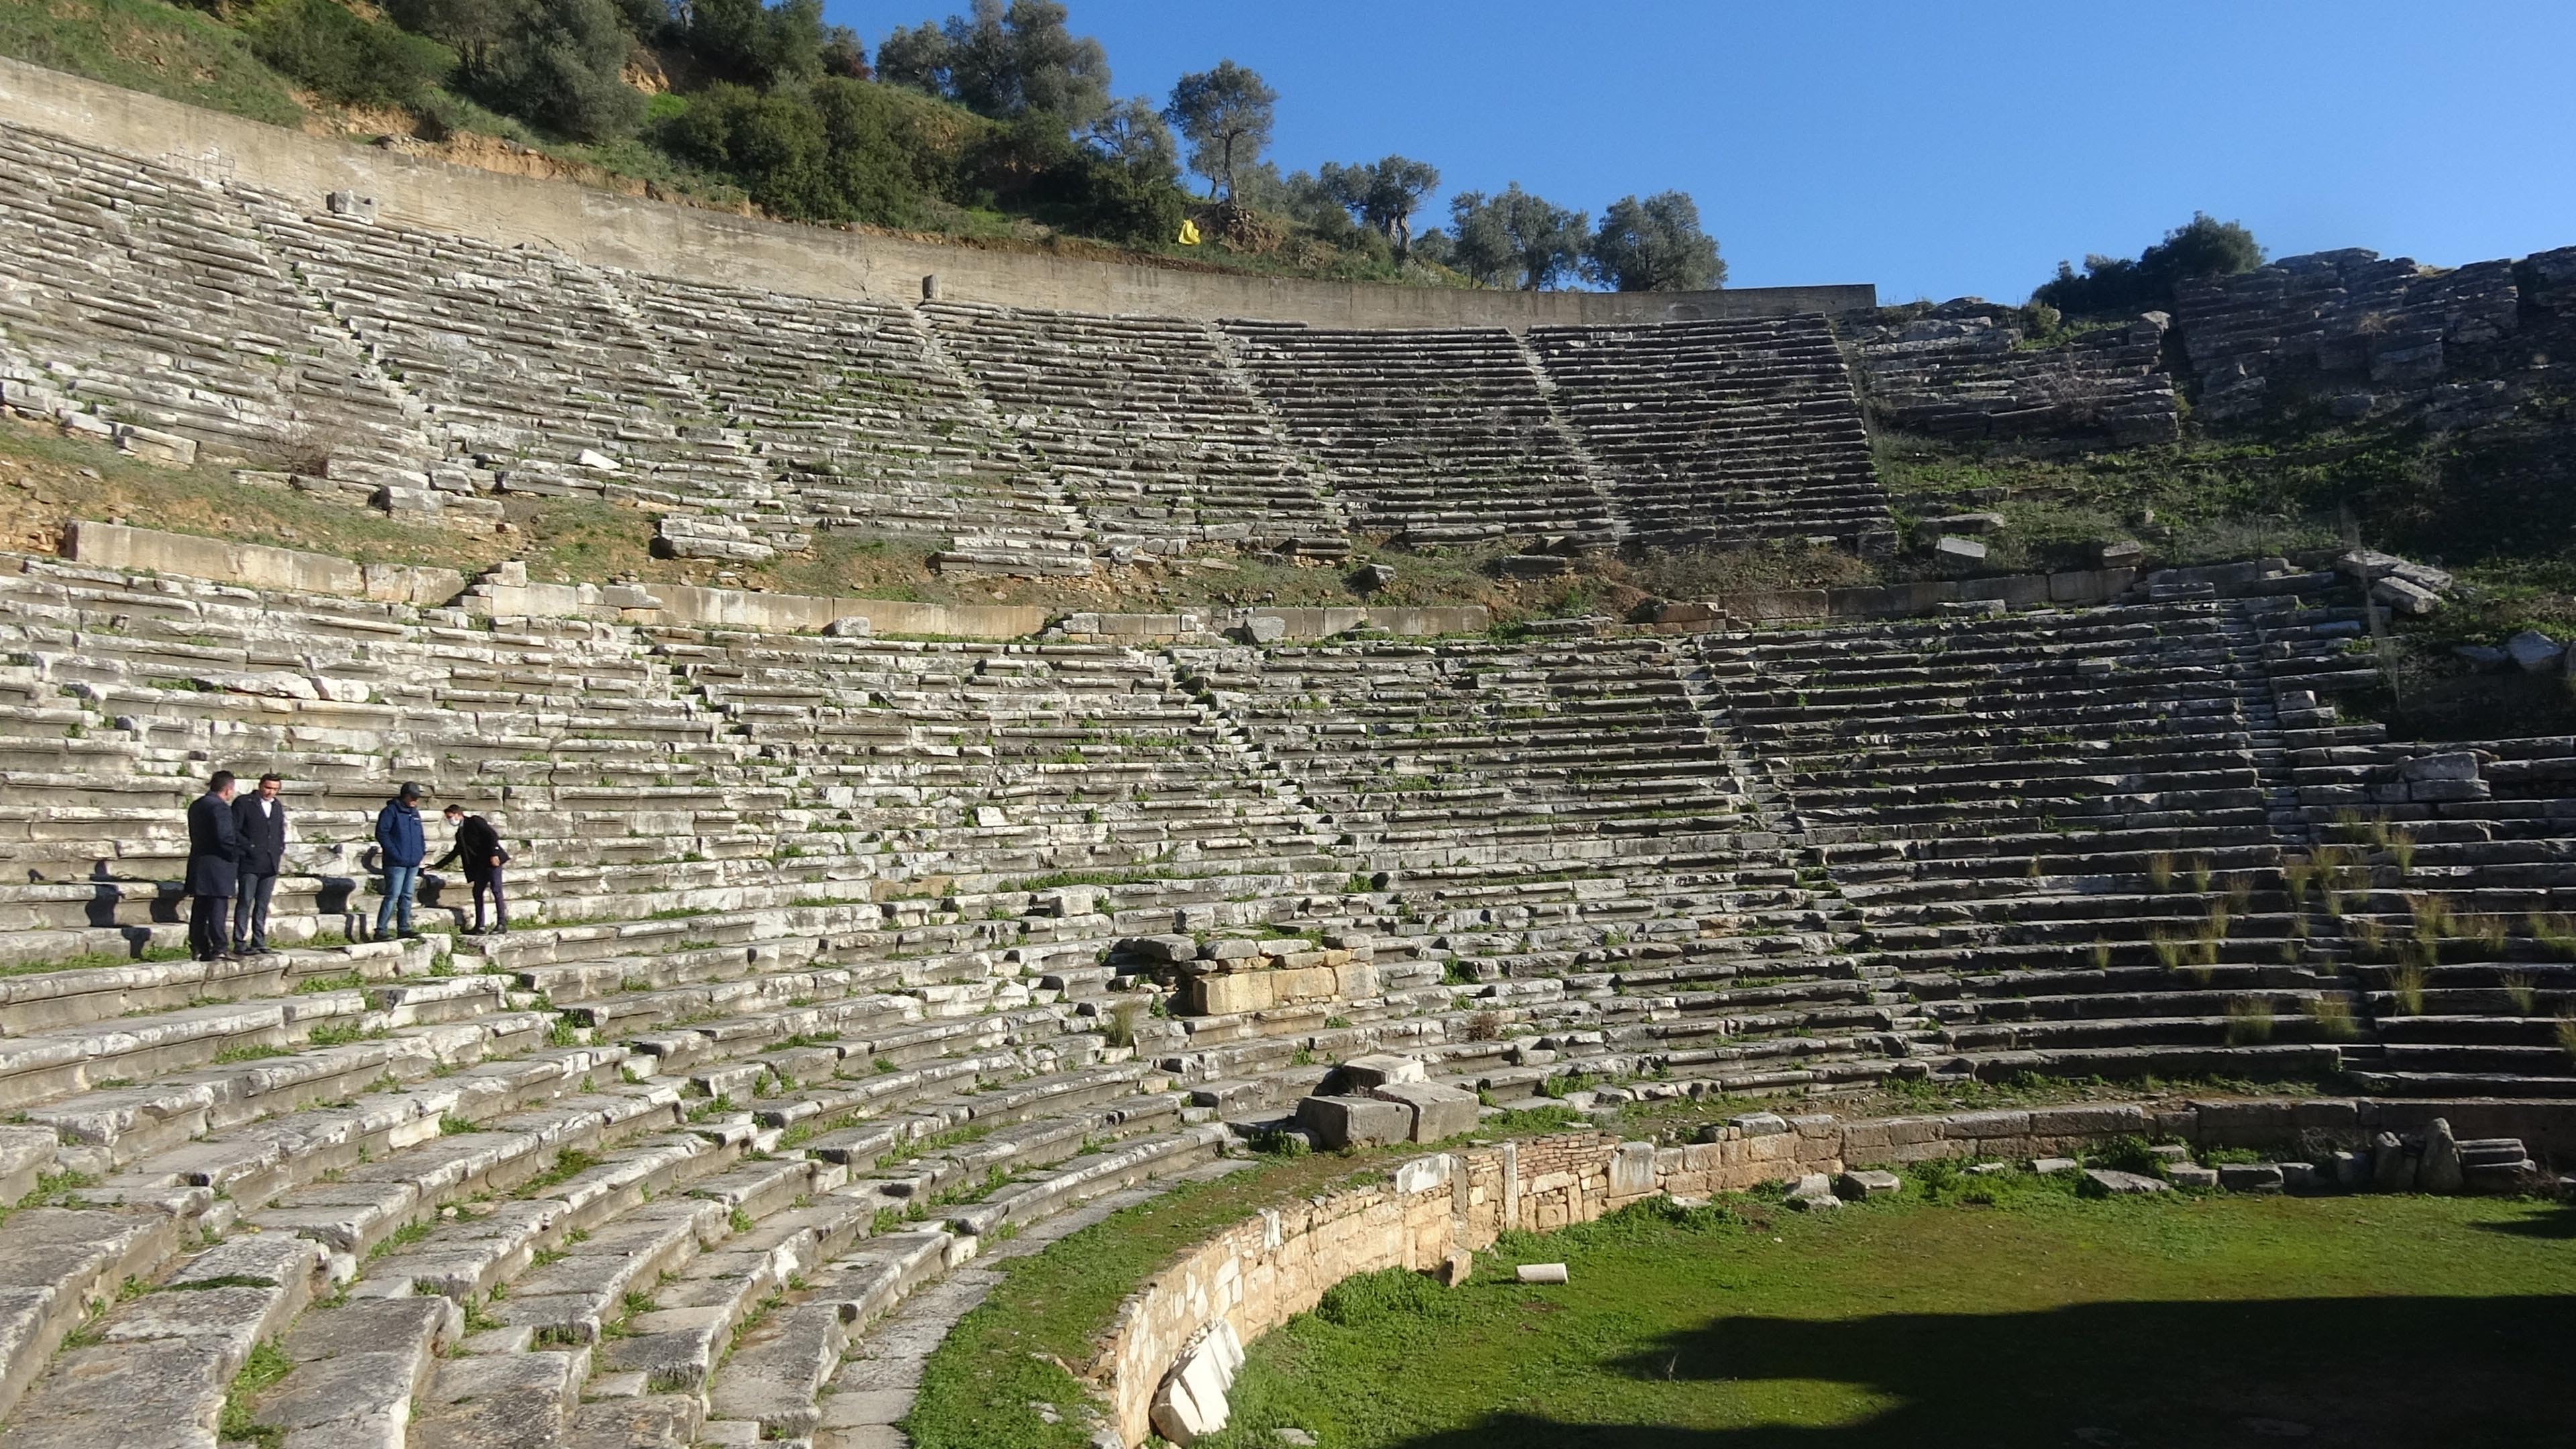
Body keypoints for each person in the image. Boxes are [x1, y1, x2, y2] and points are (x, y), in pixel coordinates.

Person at [184, 770, 243, 962]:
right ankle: (219, 947)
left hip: (199, 862)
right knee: (218, 905)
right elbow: (224, 838)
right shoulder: (220, 808)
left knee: (200, 907)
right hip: (218, 865)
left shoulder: (197, 805)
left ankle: (199, 946)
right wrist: (237, 854)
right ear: (228, 790)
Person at [431, 802, 510, 934]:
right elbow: (456, 851)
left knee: (496, 890)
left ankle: (501, 923)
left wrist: (494, 853)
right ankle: (480, 925)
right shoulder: (460, 833)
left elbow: (491, 835)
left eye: (451, 817)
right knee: (477, 892)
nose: (450, 820)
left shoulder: (475, 821)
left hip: (491, 861)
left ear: (458, 814)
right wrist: (438, 865)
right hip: (480, 865)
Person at [231, 773, 287, 956]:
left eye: (275, 789)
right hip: (250, 861)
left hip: (270, 861)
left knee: (262, 904)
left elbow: (279, 830)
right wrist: (249, 848)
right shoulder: (244, 803)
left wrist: (279, 848)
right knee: (245, 901)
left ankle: (258, 940)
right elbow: (235, 830)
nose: (270, 792)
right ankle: (239, 940)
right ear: (260, 785)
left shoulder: (277, 806)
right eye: (268, 788)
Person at [373, 781, 427, 940]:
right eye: (413, 797)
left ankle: (403, 927)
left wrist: (420, 852)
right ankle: (381, 929)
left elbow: (420, 836)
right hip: (396, 862)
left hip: (412, 862)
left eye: (417, 798)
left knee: (407, 895)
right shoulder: (391, 811)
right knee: (392, 895)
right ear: (405, 796)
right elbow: (382, 833)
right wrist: (395, 853)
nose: (415, 801)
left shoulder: (414, 813)